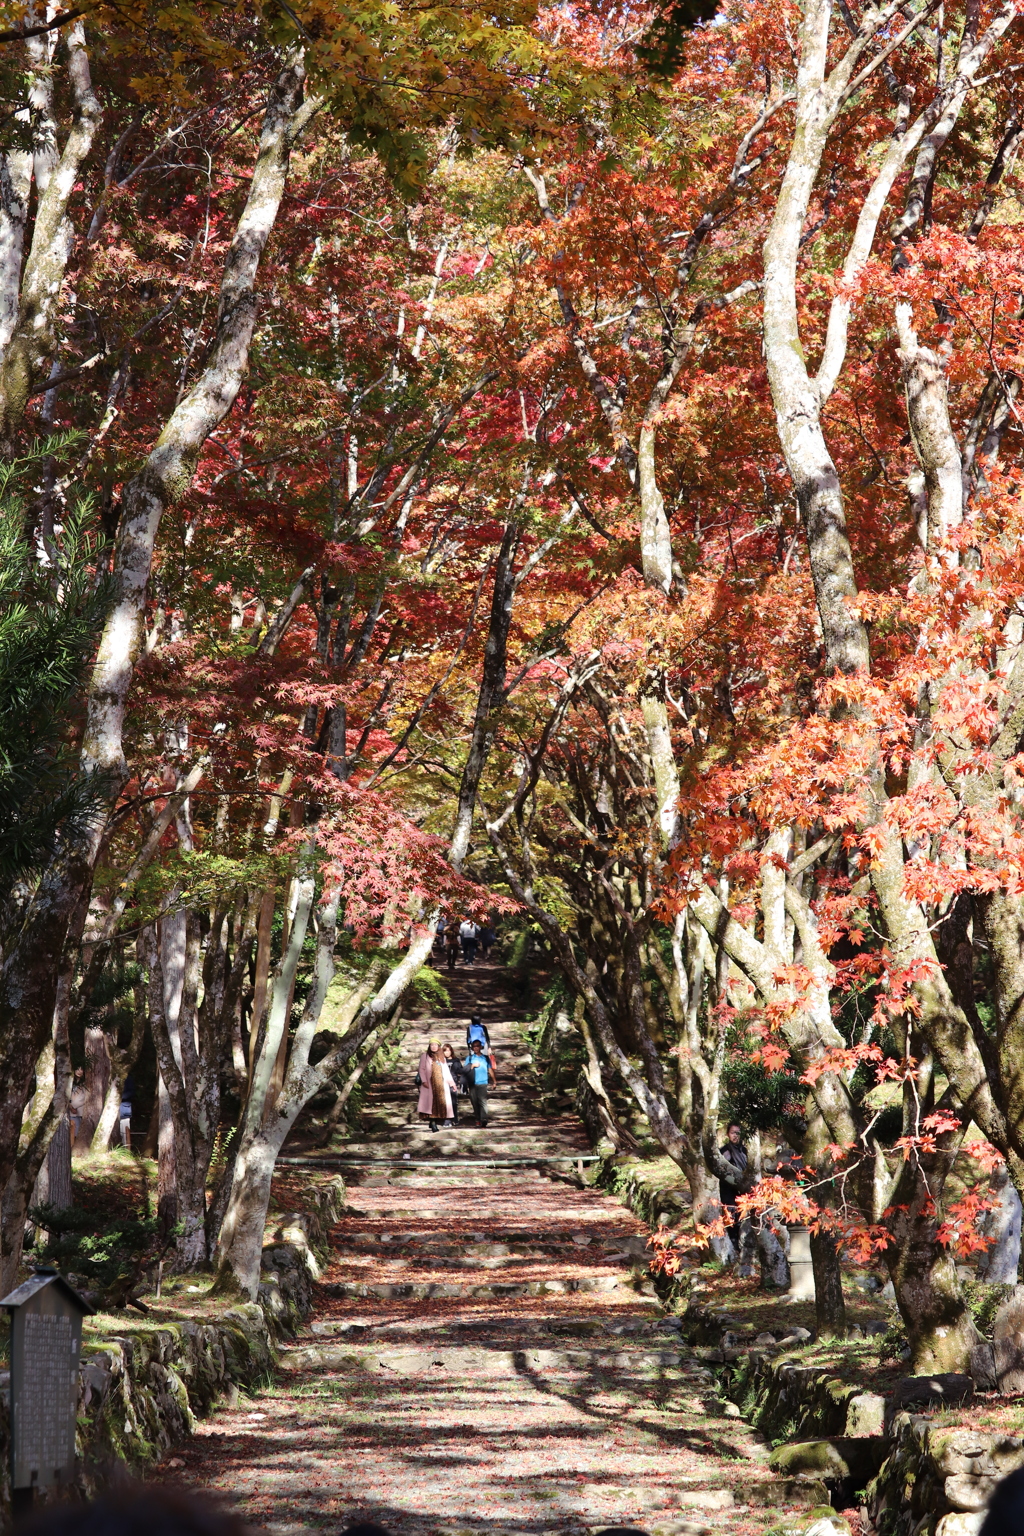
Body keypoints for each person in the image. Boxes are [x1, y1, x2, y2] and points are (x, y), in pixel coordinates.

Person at [417, 1037, 455, 1131]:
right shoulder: (425, 1056)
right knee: (431, 1103)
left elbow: (446, 1071)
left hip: (440, 1084)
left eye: (435, 1045)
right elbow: (421, 1069)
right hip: (429, 1083)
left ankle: (433, 1121)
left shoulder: (441, 1057)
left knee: (438, 1103)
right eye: (431, 1045)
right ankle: (433, 1123)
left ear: (438, 1046)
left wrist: (452, 1083)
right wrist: (424, 1081)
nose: (433, 1047)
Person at [463, 1040, 496, 1127]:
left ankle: (484, 1119)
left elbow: (490, 1069)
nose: (476, 1048)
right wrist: (472, 1066)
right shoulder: (469, 1058)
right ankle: (477, 1119)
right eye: (474, 1046)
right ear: (472, 1048)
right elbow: (465, 1070)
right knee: (474, 1102)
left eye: (477, 1046)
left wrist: (494, 1081)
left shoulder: (485, 1058)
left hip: (483, 1082)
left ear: (481, 1047)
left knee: (483, 1101)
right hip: (472, 1082)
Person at [718, 1122, 749, 1216]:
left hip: (744, 1187)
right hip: (728, 1189)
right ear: (728, 1134)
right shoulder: (723, 1151)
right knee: (731, 1216)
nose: (735, 1136)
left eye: (738, 1133)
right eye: (732, 1133)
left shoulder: (745, 1150)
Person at [443, 1043, 468, 1124]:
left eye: (448, 1050)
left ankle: (455, 1118)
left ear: (451, 1051)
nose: (447, 1052)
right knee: (446, 1102)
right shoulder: (441, 1061)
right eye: (445, 1051)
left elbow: (460, 1071)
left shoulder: (456, 1060)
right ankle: (447, 1119)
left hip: (453, 1083)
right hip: (443, 1084)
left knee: (453, 1102)